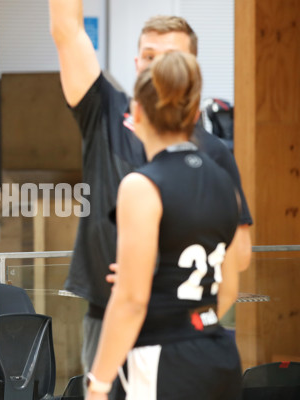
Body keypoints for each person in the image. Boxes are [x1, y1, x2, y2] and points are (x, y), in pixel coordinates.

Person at [48, 1, 253, 378]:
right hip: (107, 317)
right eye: (148, 55)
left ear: (193, 68)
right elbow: (67, 30)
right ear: (135, 63)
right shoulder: (107, 112)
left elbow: (237, 257)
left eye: (171, 57)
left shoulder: (215, 155)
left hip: (176, 329)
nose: (158, 66)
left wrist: (147, 280)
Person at [86, 51, 243, 400]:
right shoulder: (224, 182)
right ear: (193, 113)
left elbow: (131, 301)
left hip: (162, 356)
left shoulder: (141, 186)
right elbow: (228, 286)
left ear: (136, 113)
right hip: (218, 352)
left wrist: (98, 384)